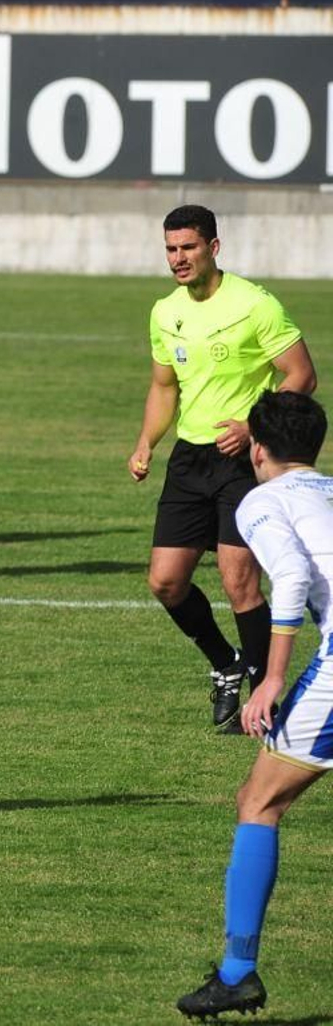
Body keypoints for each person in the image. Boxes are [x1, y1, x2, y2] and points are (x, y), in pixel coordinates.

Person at [129, 204, 316, 733]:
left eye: (188, 247)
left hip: (241, 461)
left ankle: (263, 700)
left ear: (214, 247)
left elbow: (302, 374)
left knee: (240, 583)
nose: (178, 259)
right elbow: (165, 387)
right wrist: (146, 441)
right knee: (165, 582)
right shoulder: (165, 311)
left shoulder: (255, 304)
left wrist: (255, 429)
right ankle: (227, 663)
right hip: (189, 459)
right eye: (170, 249)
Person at [176, 390, 330, 1020]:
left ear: (258, 449)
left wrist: (270, 678)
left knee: (258, 801)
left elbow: (290, 576)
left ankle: (238, 972)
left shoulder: (261, 499)